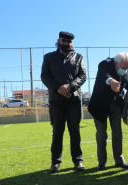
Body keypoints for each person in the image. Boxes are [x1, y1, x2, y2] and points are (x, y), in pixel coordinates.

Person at [41, 31, 87, 173]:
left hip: (73, 99)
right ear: (58, 41)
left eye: (69, 42)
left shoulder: (78, 57)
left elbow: (83, 75)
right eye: (64, 41)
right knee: (57, 132)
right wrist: (57, 89)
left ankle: (78, 161)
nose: (66, 43)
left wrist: (70, 86)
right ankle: (55, 162)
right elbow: (44, 76)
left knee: (75, 131)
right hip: (56, 100)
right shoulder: (48, 57)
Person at [88, 53, 128, 170]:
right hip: (100, 104)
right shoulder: (105, 64)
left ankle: (119, 160)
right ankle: (102, 162)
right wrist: (111, 81)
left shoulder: (127, 67)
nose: (126, 70)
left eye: (127, 68)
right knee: (102, 134)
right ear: (116, 63)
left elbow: (127, 83)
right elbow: (104, 75)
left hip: (116, 104)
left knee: (117, 132)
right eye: (123, 68)